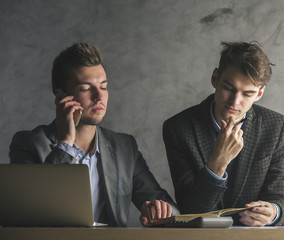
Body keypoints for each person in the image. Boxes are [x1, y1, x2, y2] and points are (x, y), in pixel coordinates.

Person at [9, 42, 178, 227]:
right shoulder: (28, 143)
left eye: (103, 86)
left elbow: (173, 211)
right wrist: (65, 144)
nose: (99, 96)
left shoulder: (124, 147)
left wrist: (160, 209)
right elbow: (26, 219)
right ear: (60, 96)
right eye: (85, 88)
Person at [163, 41, 284, 226]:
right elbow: (191, 212)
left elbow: (282, 201)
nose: (235, 101)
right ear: (215, 78)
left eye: (247, 94)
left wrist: (273, 212)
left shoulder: (277, 128)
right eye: (229, 88)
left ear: (259, 94)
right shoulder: (178, 128)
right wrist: (218, 162)